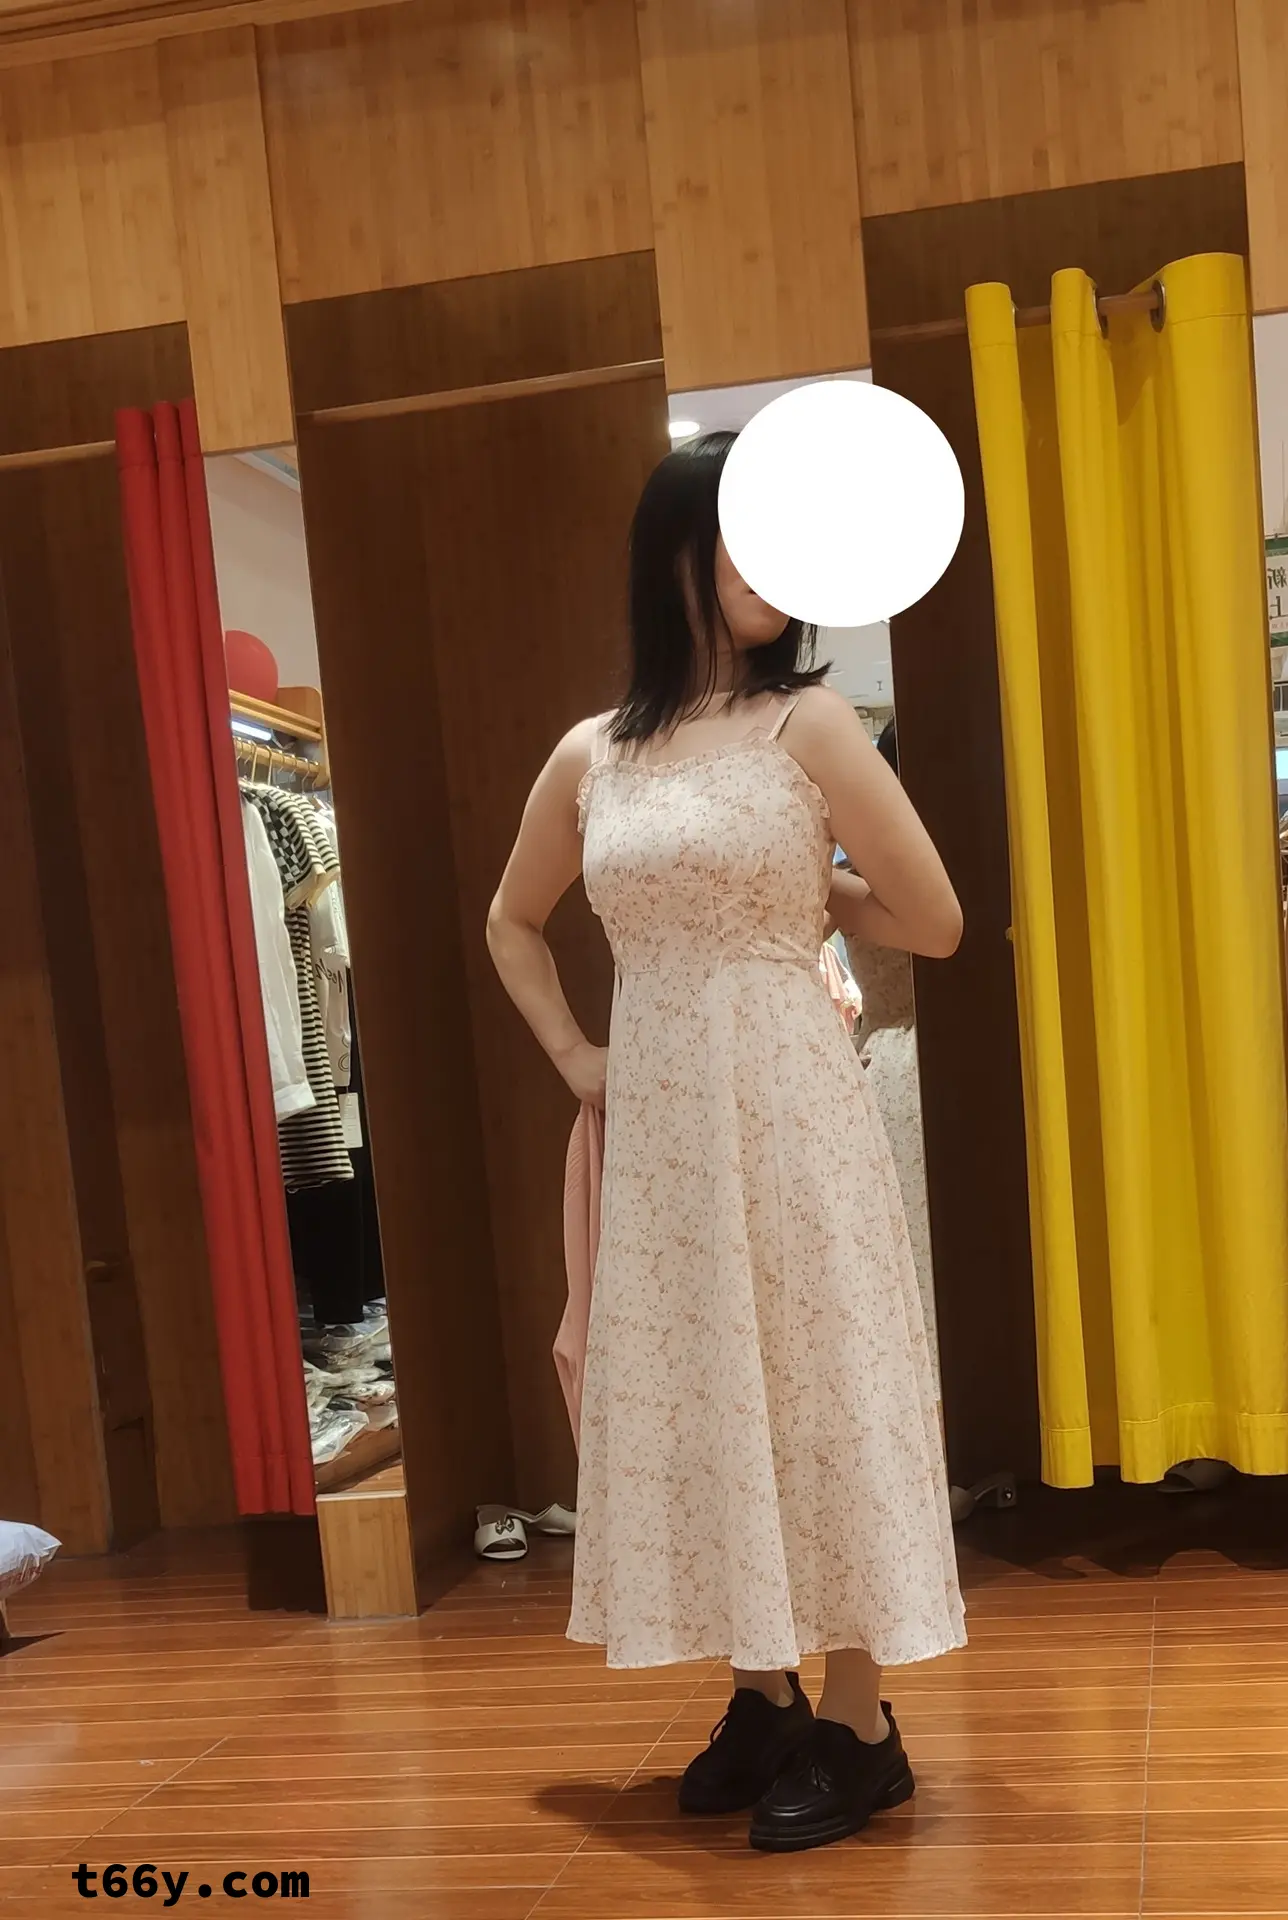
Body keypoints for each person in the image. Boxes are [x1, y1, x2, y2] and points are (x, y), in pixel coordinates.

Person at [487, 431, 965, 1856]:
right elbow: (511, 921)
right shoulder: (593, 752)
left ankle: (863, 1725)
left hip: (790, 1101)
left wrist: (809, 894)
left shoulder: (809, 724)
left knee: (825, 1381)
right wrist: (576, 1058)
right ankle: (763, 1693)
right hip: (662, 1132)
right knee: (702, 1391)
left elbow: (932, 919)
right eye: (750, 534)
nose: (775, 566)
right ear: (678, 550)